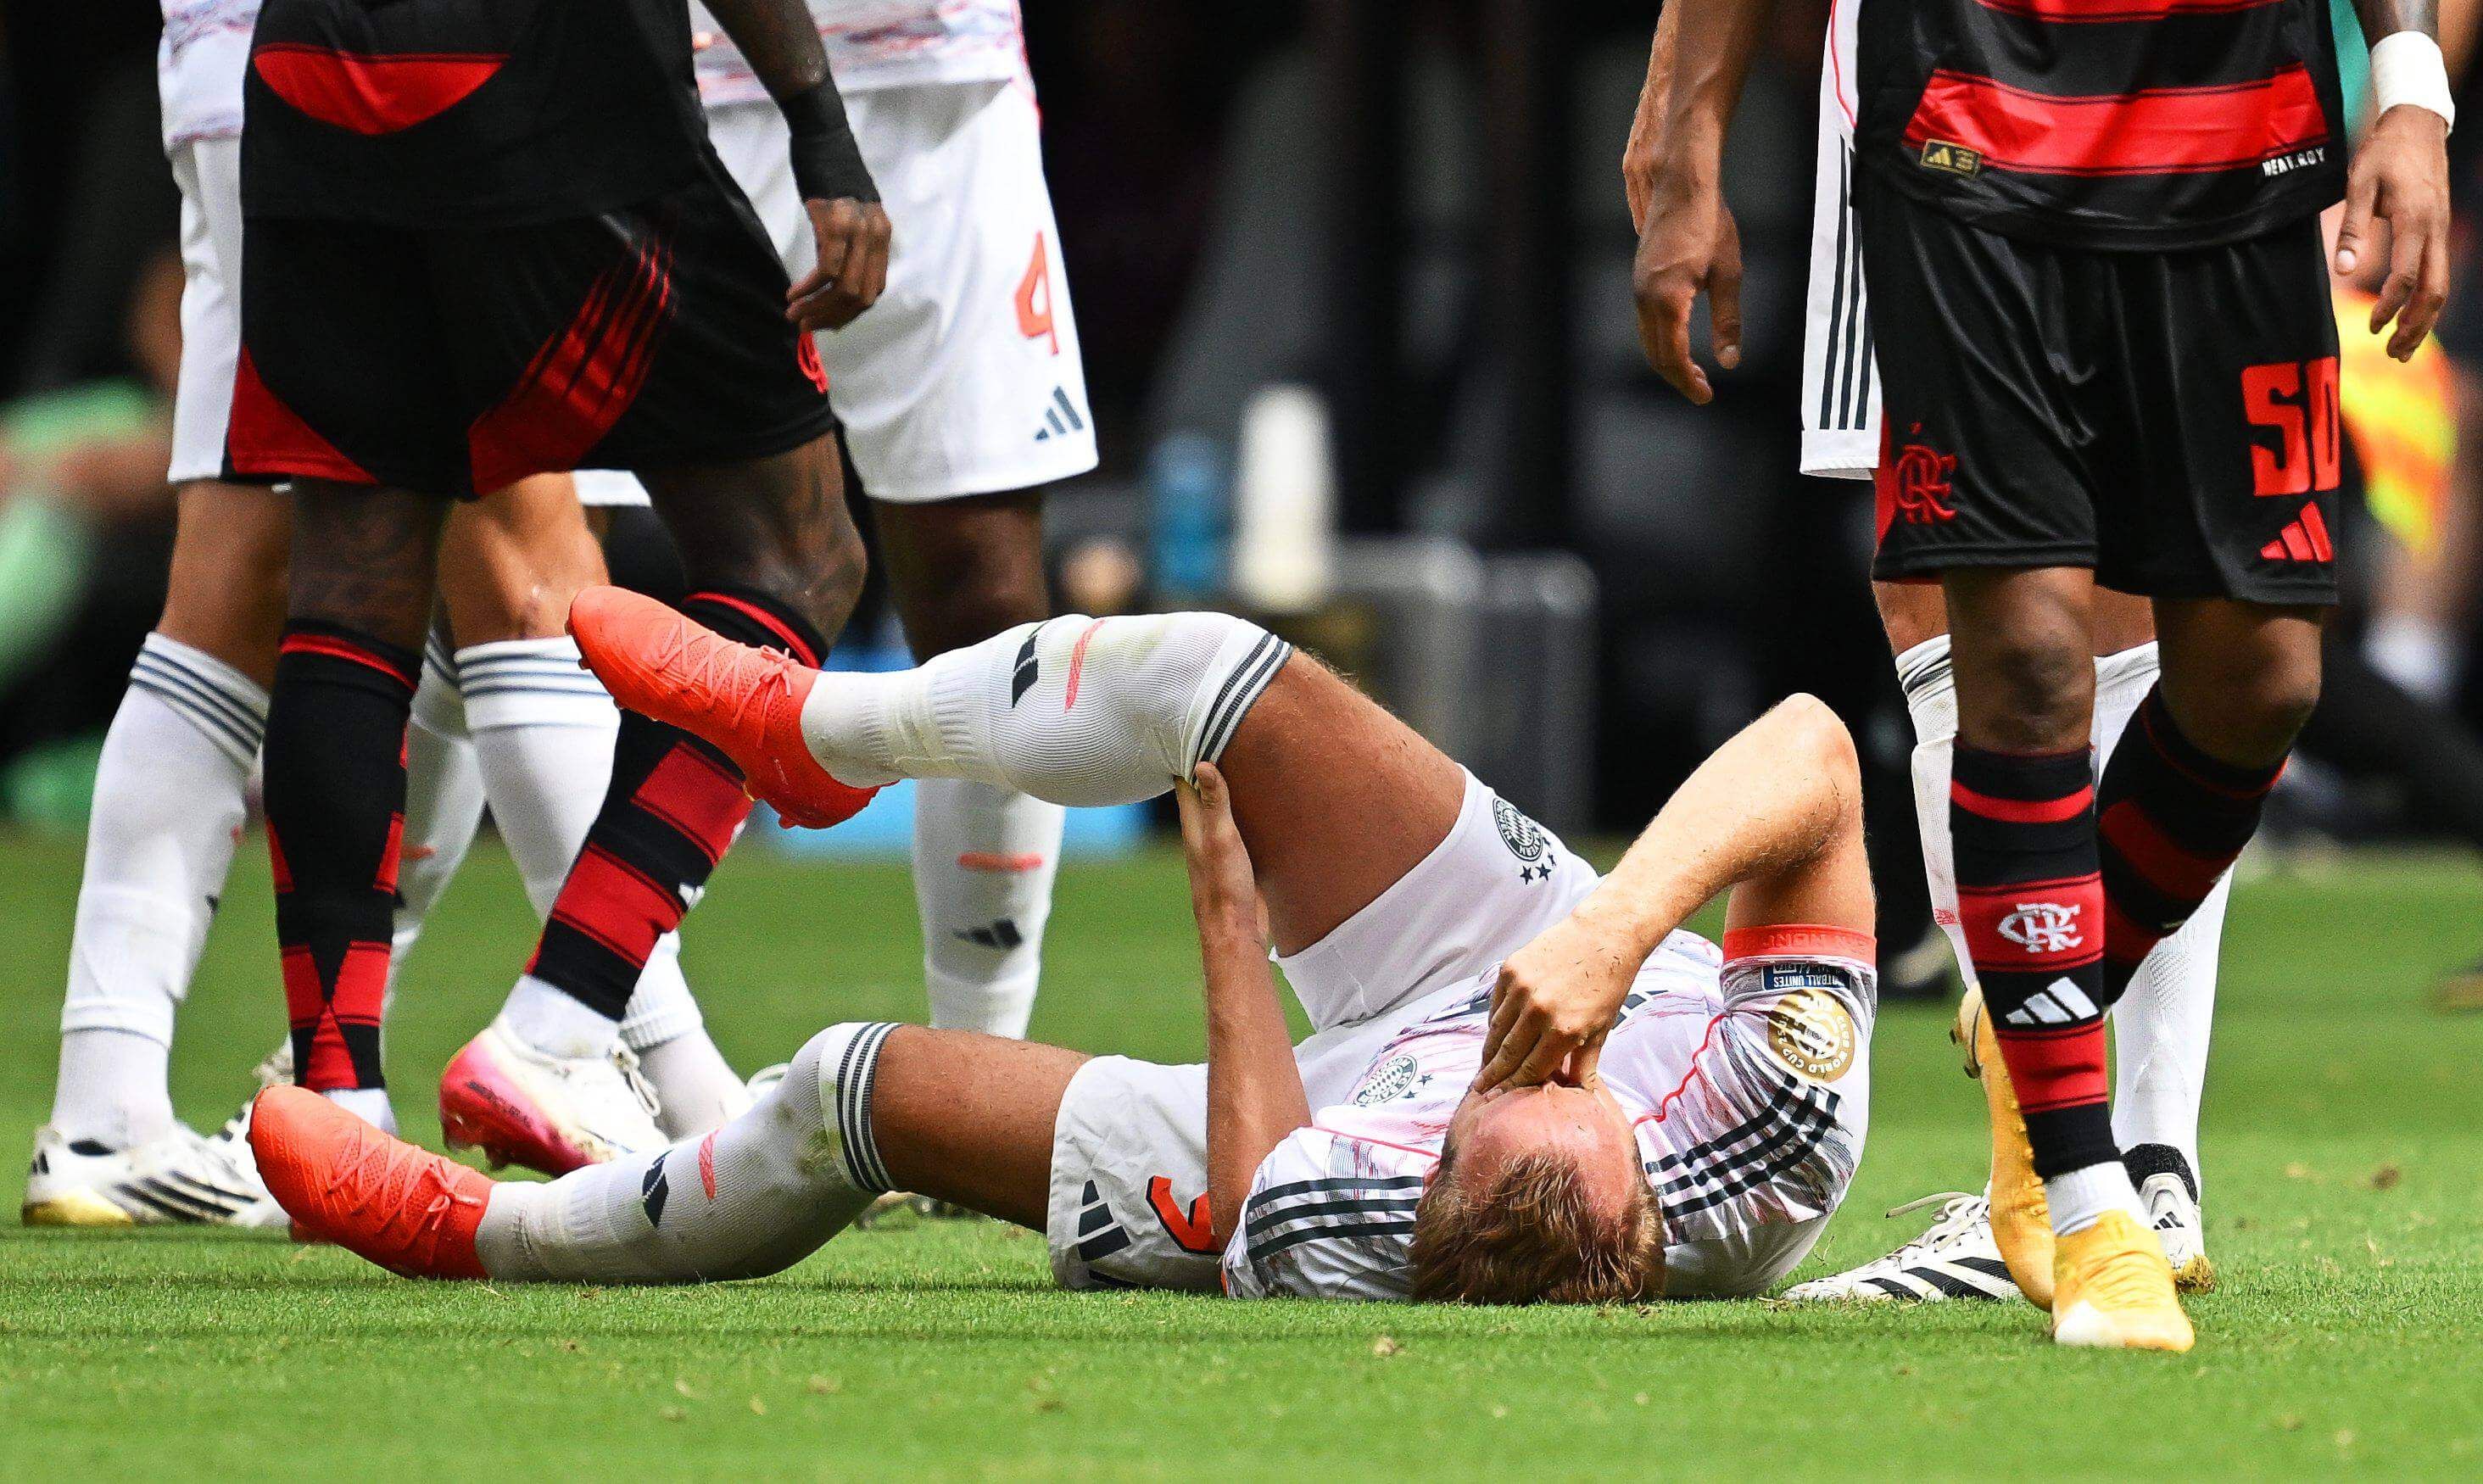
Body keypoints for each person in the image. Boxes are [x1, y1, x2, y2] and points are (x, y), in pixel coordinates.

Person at [246, 590, 1876, 1304]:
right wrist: (1600, 947)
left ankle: (479, 1238)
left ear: (1427, 1170)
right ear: (1632, 1157)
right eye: (1564, 1075)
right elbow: (1809, 750)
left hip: (1285, 1112)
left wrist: (1228, 920)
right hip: (1547, 935)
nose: (1535, 1057)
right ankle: (814, 731)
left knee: (842, 1095)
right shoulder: (1771, 1126)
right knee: (1215, 673)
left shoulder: (1352, 1218)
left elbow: (1254, 1186)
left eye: (1493, 1094)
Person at [1623, 0, 2454, 1350]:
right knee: (1997, 617)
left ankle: (2086, 1085)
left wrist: (2412, 87)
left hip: (2225, 105)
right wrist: (1684, 113)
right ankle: (2089, 1181)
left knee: (2244, 663)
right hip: (1960, 102)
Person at [21, 0, 736, 1225]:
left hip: (240, 70)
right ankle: (653, 1073)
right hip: (413, 73)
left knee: (238, 586)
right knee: (525, 565)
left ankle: (113, 1107)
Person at [231, 0, 891, 1174]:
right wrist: (821, 130)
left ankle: (336, 1103)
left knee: (352, 572)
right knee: (799, 548)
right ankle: (562, 1026)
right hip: (538, 78)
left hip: (309, 80)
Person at [558, 0, 1096, 1052]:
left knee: (985, 599)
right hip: (667, 81)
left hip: (938, 85)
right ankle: (593, 1044)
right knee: (540, 574)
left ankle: (981, 1062)